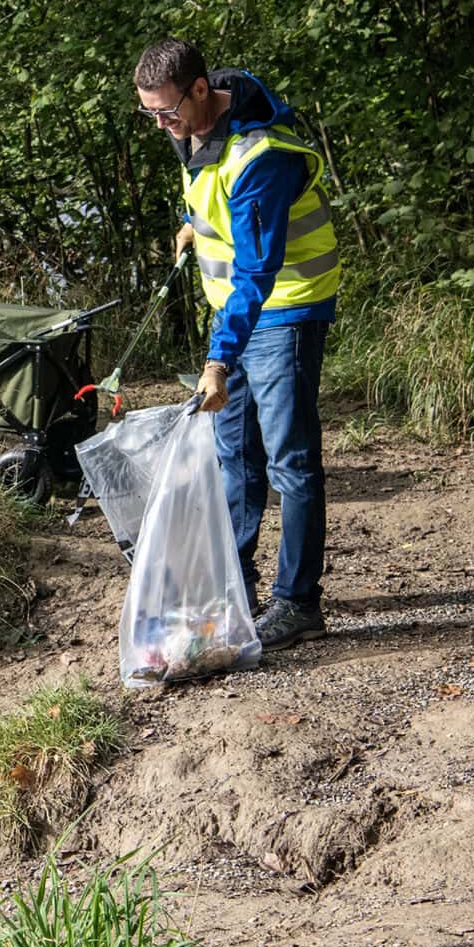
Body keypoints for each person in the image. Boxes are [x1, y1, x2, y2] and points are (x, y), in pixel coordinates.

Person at [133, 38, 340, 650]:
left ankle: (299, 603)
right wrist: (194, 225)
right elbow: (214, 193)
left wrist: (218, 358)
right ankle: (234, 585)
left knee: (289, 462)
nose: (161, 125)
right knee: (235, 459)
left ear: (201, 90)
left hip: (287, 308)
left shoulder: (264, 156)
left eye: (166, 111)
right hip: (240, 314)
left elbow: (257, 269)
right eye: (150, 113)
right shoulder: (192, 125)